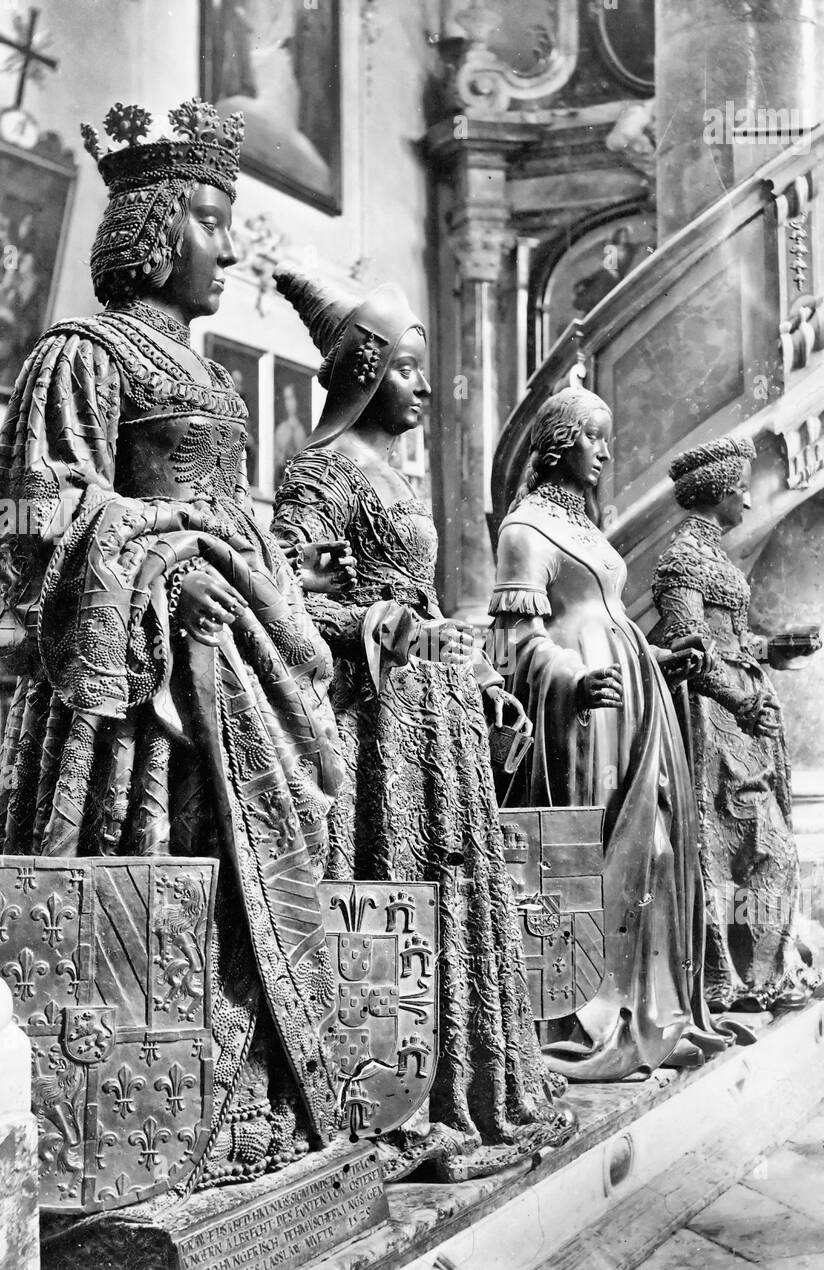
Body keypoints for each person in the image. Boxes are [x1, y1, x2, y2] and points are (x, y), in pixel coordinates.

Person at [0, 99, 346, 1196]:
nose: (231, 248)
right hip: (136, 689)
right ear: (153, 225)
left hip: (239, 646)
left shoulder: (208, 373)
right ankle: (119, 1123)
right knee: (145, 880)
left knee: (280, 839)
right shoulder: (81, 353)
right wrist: (167, 558)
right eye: (210, 218)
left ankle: (242, 1095)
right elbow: (38, 522)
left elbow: (235, 509)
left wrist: (241, 572)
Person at [270, 266, 575, 1180]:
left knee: (454, 889)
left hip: (437, 716)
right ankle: (390, 1099)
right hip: (376, 729)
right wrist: (369, 624)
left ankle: (463, 1084)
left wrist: (473, 668)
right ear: (365, 369)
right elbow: (283, 599)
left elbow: (424, 601)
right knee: (390, 890)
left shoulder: (396, 478)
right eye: (407, 367)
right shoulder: (318, 474)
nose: (427, 386)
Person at [490, 386, 736, 1081]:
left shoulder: (588, 529)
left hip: (632, 699)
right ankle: (585, 1017)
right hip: (581, 713)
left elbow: (607, 618)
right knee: (595, 855)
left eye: (606, 438)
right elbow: (514, 639)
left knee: (654, 851)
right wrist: (568, 681)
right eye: (594, 438)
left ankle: (652, 1015)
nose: (605, 452)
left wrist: (659, 658)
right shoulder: (526, 530)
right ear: (562, 441)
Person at [650, 436, 823, 1012]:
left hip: (743, 716)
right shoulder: (681, 561)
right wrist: (744, 701)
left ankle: (761, 972)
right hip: (713, 720)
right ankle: (733, 976)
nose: (748, 500)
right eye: (742, 488)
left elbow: (726, 639)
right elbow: (687, 650)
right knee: (743, 846)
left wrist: (774, 647)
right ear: (721, 490)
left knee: (764, 846)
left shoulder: (715, 557)